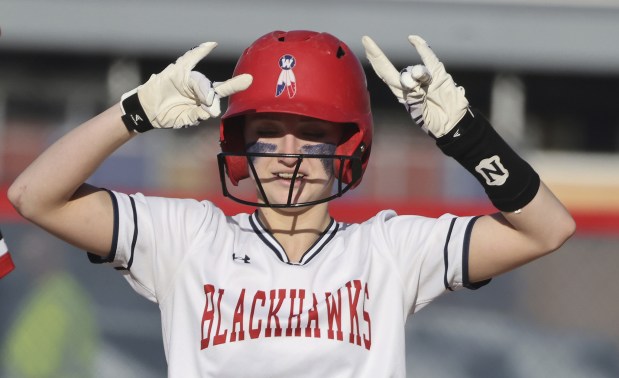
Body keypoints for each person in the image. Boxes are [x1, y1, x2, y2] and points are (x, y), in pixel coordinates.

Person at [8, 30, 575, 377]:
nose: (287, 154)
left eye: (310, 135)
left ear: (345, 146)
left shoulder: (388, 248)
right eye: (269, 132)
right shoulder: (188, 239)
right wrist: (133, 114)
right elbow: (33, 197)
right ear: (239, 142)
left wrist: (467, 136)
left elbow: (547, 230)